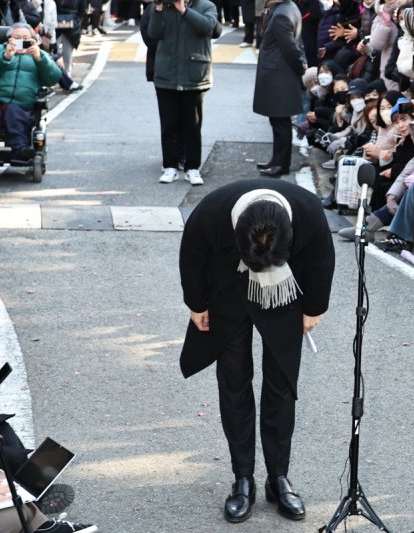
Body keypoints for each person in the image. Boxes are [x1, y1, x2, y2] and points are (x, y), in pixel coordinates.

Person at [178, 179, 334, 523]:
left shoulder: (307, 210)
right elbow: (191, 254)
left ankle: (278, 478)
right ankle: (242, 479)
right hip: (226, 290)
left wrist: (314, 308)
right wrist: (196, 303)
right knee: (234, 382)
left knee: (281, 385)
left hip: (284, 291)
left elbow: (322, 258)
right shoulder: (213, 211)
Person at [148, 0, 217, 185]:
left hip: (194, 76)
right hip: (167, 75)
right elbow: (153, 33)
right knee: (168, 124)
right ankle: (169, 166)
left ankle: (192, 168)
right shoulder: (163, 6)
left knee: (192, 126)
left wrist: (184, 10)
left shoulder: (206, 5)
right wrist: (159, 9)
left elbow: (207, 27)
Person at [0, 22, 62, 164]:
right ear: (9, 39)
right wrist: (5, 56)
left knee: (14, 109)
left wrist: (40, 58)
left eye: (25, 38)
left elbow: (54, 77)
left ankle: (20, 149)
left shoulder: (39, 55)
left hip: (22, 101)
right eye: (17, 38)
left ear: (33, 40)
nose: (21, 41)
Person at [253, 0, 306, 178]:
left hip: (279, 75)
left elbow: (290, 48)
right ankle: (277, 161)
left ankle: (280, 164)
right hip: (280, 73)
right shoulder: (287, 8)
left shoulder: (281, 14)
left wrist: (300, 66)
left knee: (280, 122)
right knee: (278, 121)